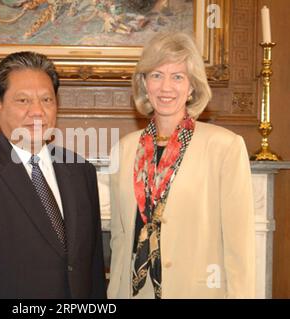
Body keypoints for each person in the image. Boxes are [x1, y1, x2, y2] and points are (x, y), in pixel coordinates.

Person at [0, 51, 106, 298]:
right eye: (23, 101)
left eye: (47, 100)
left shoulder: (81, 172)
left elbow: (93, 272)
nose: (37, 111)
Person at [107, 32, 256, 299]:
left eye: (177, 76)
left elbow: (239, 245)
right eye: (156, 75)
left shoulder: (224, 147)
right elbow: (119, 239)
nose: (166, 87)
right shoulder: (124, 149)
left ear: (191, 87)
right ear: (143, 83)